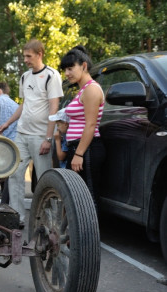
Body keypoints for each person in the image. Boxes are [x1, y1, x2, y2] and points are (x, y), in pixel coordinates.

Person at [0, 39, 63, 228]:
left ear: (39, 54)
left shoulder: (52, 76)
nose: (25, 60)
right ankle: (17, 217)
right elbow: (24, 105)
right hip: (22, 134)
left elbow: (54, 107)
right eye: (24, 56)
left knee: (43, 179)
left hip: (41, 135)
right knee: (15, 173)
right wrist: (8, 123)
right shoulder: (25, 77)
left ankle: (46, 219)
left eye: (28, 56)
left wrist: (48, 138)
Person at [60, 45, 106, 207]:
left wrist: (79, 154)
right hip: (78, 148)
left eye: (70, 68)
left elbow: (91, 124)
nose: (67, 74)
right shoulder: (82, 90)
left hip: (87, 150)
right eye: (65, 70)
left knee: (89, 199)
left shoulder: (92, 89)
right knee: (78, 199)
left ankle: (91, 232)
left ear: (84, 66)